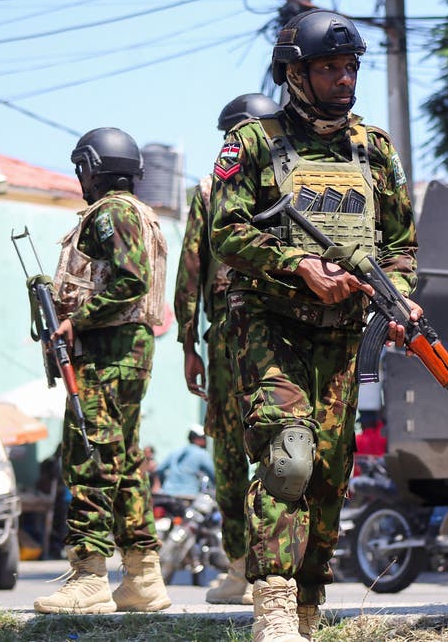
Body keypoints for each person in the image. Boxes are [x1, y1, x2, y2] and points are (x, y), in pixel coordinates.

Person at [208, 9, 419, 642]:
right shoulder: (249, 143)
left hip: (344, 334)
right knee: (288, 458)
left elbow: (401, 245)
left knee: (330, 470)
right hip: (270, 326)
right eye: (328, 67)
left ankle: (307, 601)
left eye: (350, 67)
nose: (343, 79)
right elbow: (226, 231)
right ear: (295, 74)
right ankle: (271, 602)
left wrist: (400, 300)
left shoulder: (373, 149)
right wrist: (297, 263)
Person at [32, 127, 171, 615]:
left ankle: (89, 573)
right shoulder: (140, 214)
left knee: (89, 454)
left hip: (110, 350)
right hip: (126, 349)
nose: (79, 179)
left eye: (81, 169)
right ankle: (142, 577)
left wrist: (75, 320)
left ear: (93, 167)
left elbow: (130, 281)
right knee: (125, 459)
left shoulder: (112, 213)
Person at [174, 91, 281, 606]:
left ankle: (244, 570)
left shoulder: (212, 187)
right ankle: (273, 572)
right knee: (279, 446)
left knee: (235, 454)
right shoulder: (296, 183)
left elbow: (191, 270)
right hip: (283, 337)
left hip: (231, 336)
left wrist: (186, 343)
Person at [157, 425, 217, 497]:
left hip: (167, 494)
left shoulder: (175, 452)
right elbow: (214, 474)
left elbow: (159, 469)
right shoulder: (202, 454)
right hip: (189, 495)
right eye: (204, 438)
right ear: (198, 438)